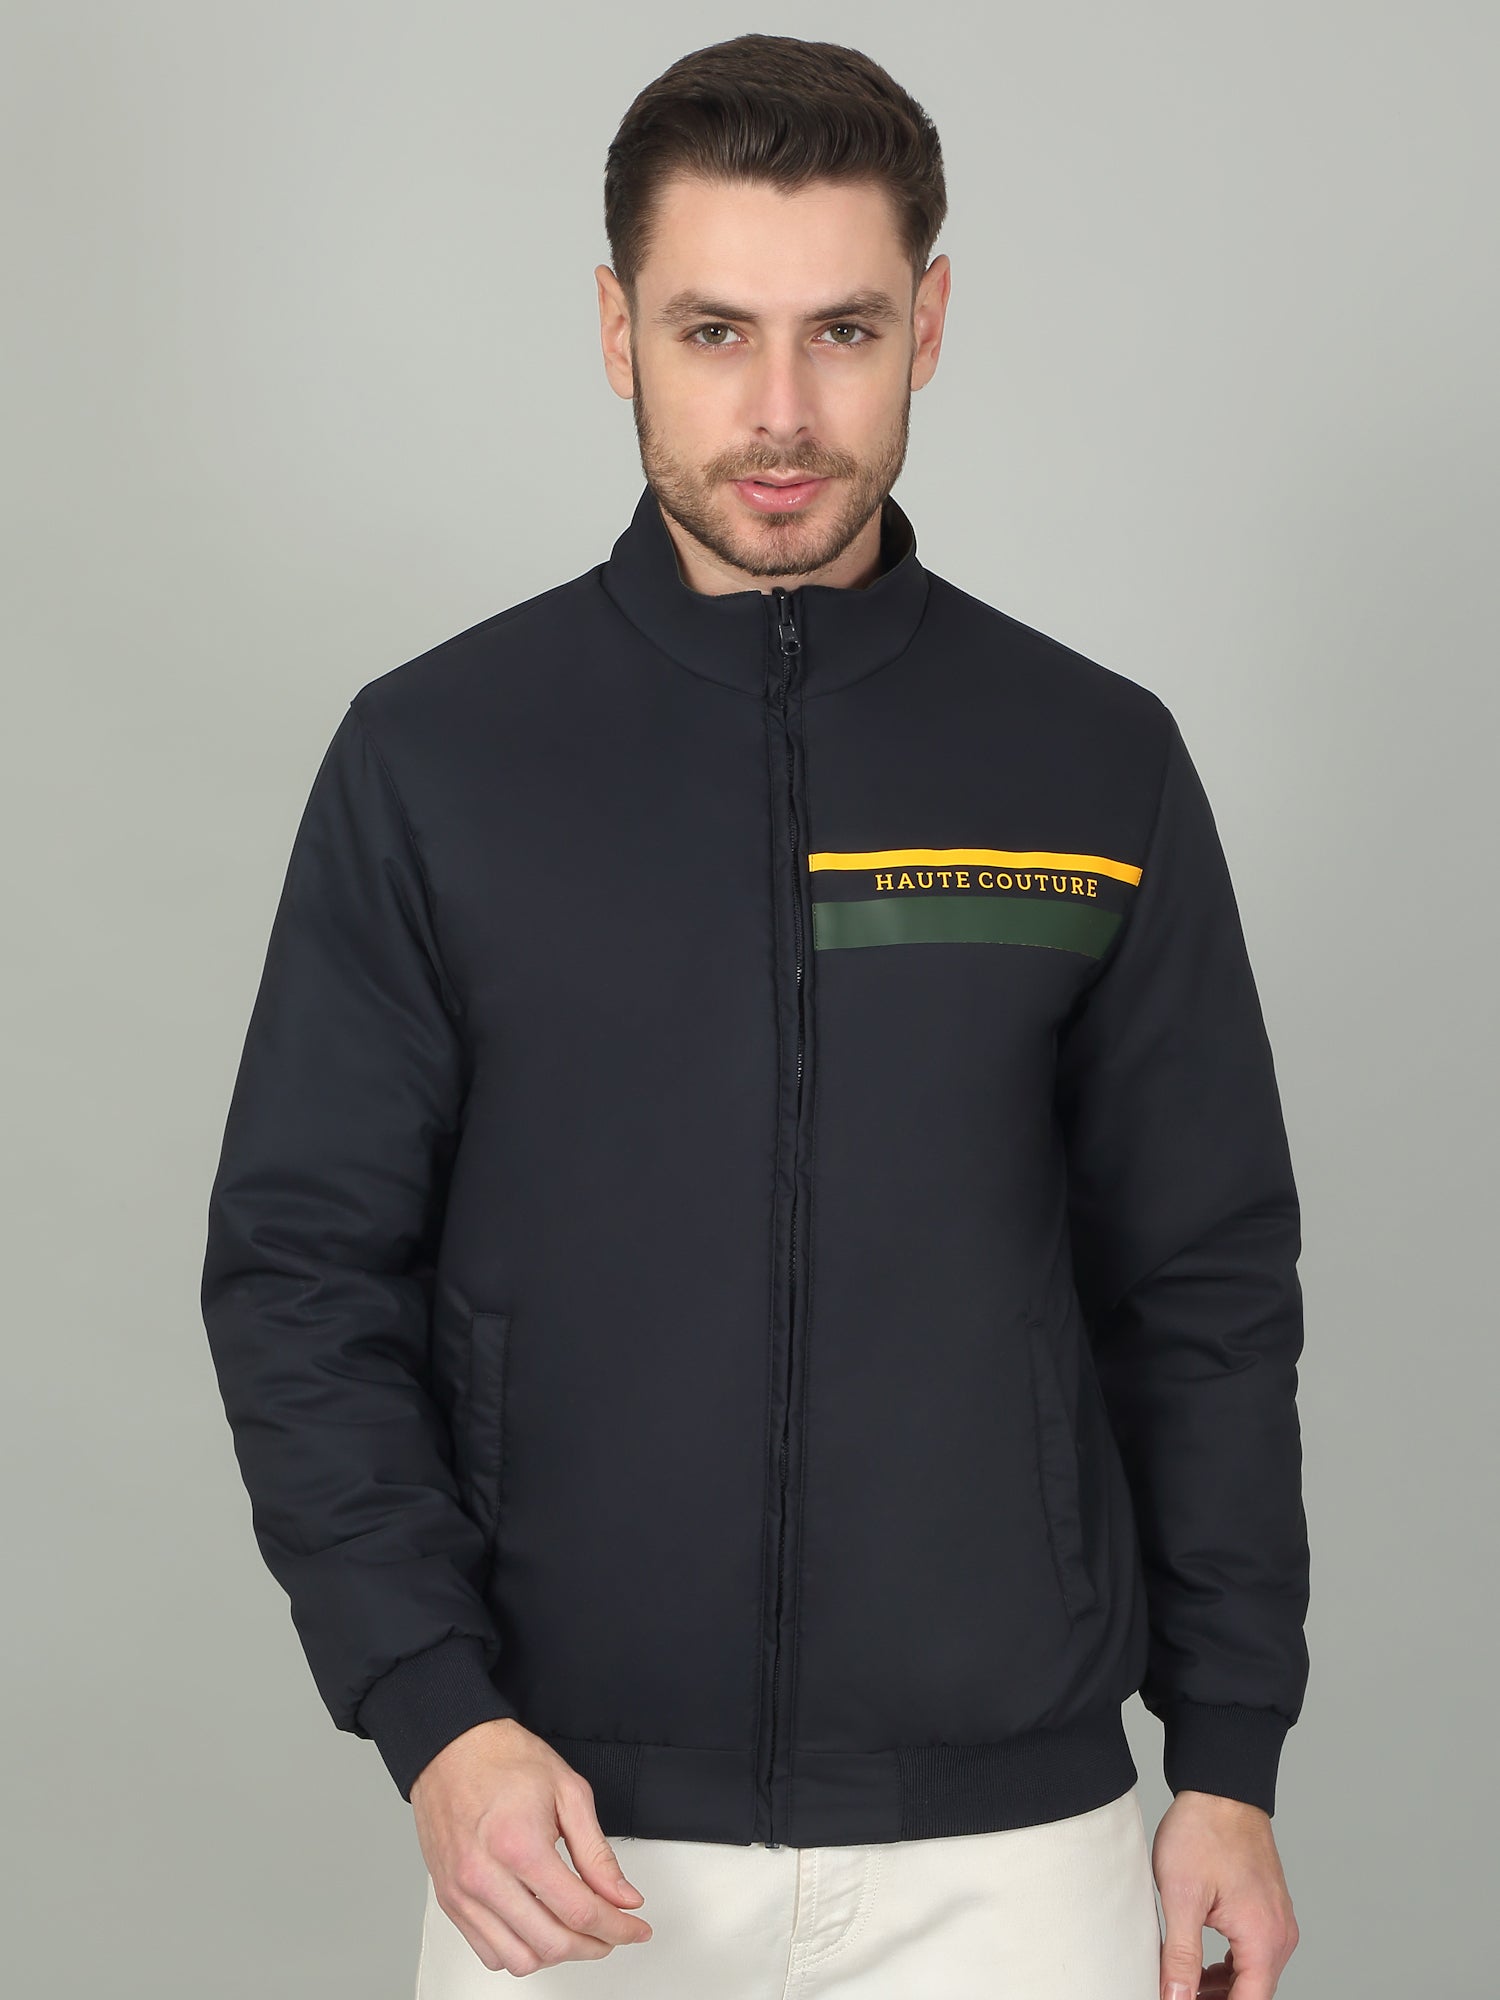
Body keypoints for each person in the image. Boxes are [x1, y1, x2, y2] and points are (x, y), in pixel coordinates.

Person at [201, 31, 1307, 1999]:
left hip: (1016, 1862)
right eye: (714, 332)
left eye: (843, 333)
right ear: (615, 329)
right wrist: (435, 1715)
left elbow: (1202, 1282)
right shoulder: (440, 759)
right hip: (561, 1836)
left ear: (929, 324)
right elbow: (300, 1275)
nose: (781, 413)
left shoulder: (1091, 763)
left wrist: (1225, 1760)